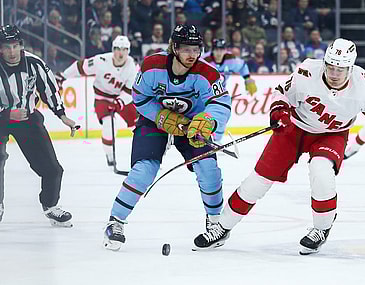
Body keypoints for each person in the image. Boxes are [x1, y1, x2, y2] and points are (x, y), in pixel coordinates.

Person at [192, 38, 365, 255]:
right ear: (325, 62)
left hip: (331, 134)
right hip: (294, 129)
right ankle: (222, 227)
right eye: (331, 66)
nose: (334, 74)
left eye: (341, 69)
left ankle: (321, 228)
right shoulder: (307, 71)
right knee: (258, 181)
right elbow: (281, 93)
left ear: (351, 67)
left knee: (321, 171)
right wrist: (279, 110)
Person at [103, 24, 231, 251]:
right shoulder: (152, 66)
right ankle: (115, 222)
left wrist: (208, 120)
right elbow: (140, 98)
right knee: (144, 170)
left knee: (208, 166)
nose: (192, 55)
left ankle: (215, 224)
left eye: (196, 49)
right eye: (186, 49)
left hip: (192, 124)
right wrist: (160, 116)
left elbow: (221, 102)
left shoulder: (208, 73)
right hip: (154, 121)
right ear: (174, 47)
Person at [0, 24, 77, 226]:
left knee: (53, 168)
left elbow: (49, 90)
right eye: (7, 47)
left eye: (15, 46)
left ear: (21, 45)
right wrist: (8, 114)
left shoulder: (34, 63)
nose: (12, 51)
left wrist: (62, 115)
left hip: (27, 118)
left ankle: (50, 206)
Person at [56, 36, 138, 167]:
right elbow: (80, 66)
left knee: (139, 124)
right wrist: (63, 76)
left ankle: (148, 155)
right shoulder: (101, 60)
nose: (120, 53)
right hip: (102, 98)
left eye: (124, 49)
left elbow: (130, 92)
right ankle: (110, 157)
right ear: (113, 49)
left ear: (128, 51)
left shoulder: (132, 66)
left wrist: (119, 103)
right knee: (108, 124)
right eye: (117, 49)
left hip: (121, 98)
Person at [202, 38, 257, 143]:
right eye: (216, 49)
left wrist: (247, 79)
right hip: (203, 92)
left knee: (222, 114)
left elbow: (242, 66)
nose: (219, 53)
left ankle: (216, 140)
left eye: (221, 49)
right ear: (212, 50)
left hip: (220, 94)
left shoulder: (231, 59)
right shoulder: (205, 60)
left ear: (225, 50)